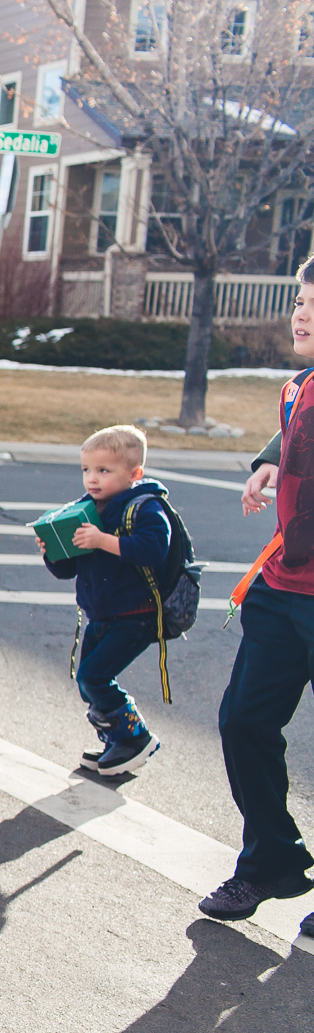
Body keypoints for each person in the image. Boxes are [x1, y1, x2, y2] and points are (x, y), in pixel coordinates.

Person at [211, 262, 314, 925]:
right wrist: (272, 454)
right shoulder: (296, 387)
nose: (302, 313)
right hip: (283, 589)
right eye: (302, 300)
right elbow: (300, 418)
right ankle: (272, 859)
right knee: (243, 721)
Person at [40, 424, 175, 776]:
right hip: (100, 612)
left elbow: (154, 550)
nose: (92, 479)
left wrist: (103, 540)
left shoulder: (145, 507)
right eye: (86, 470)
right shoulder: (86, 509)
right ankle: (116, 740)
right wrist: (52, 552)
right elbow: (67, 570)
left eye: (103, 470)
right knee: (89, 684)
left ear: (134, 474)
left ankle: (135, 738)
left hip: (136, 614)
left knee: (94, 677)